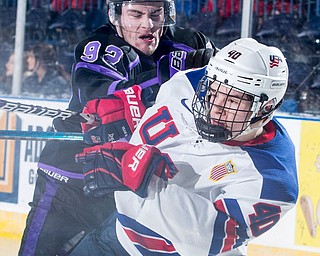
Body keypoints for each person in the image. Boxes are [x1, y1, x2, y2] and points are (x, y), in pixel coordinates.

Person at [18, 0, 216, 255]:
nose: (148, 24)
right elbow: (105, 102)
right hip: (70, 185)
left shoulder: (191, 45)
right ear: (116, 15)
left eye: (156, 14)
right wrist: (168, 85)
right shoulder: (101, 47)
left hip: (132, 187)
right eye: (136, 14)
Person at [71, 38, 299, 255]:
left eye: (232, 101)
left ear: (265, 108)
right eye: (213, 92)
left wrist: (145, 180)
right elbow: (150, 100)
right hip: (116, 235)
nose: (215, 108)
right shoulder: (190, 84)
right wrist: (129, 106)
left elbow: (209, 238)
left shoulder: (273, 181)